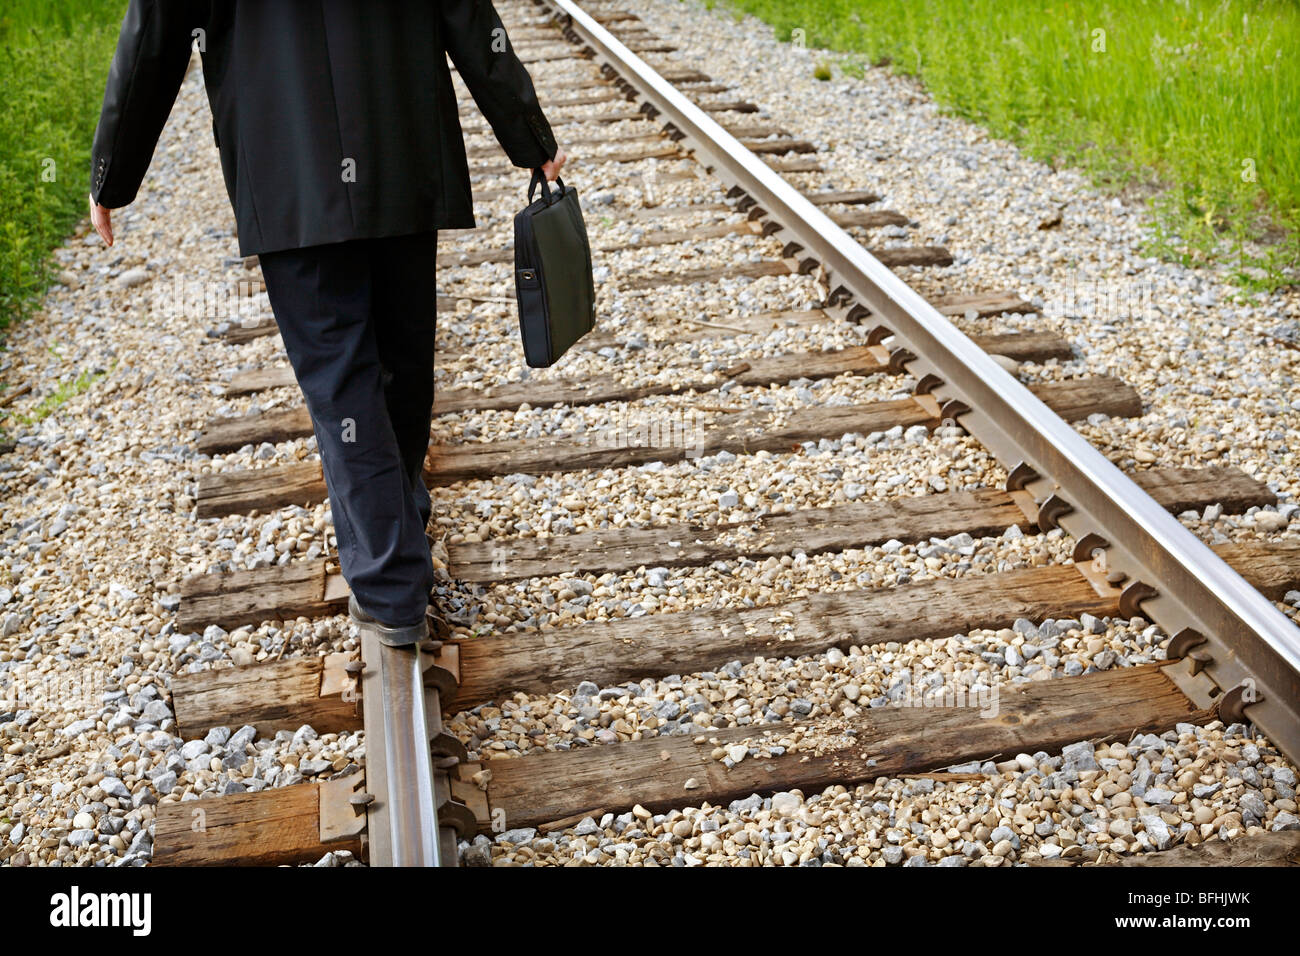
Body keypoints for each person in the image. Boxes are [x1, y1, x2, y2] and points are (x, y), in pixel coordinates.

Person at [89, 0, 566, 647]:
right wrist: (527, 133)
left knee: (341, 375)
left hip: (289, 171)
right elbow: (465, 11)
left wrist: (112, 173)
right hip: (399, 146)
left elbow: (155, 33)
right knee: (402, 358)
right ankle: (396, 533)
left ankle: (392, 582)